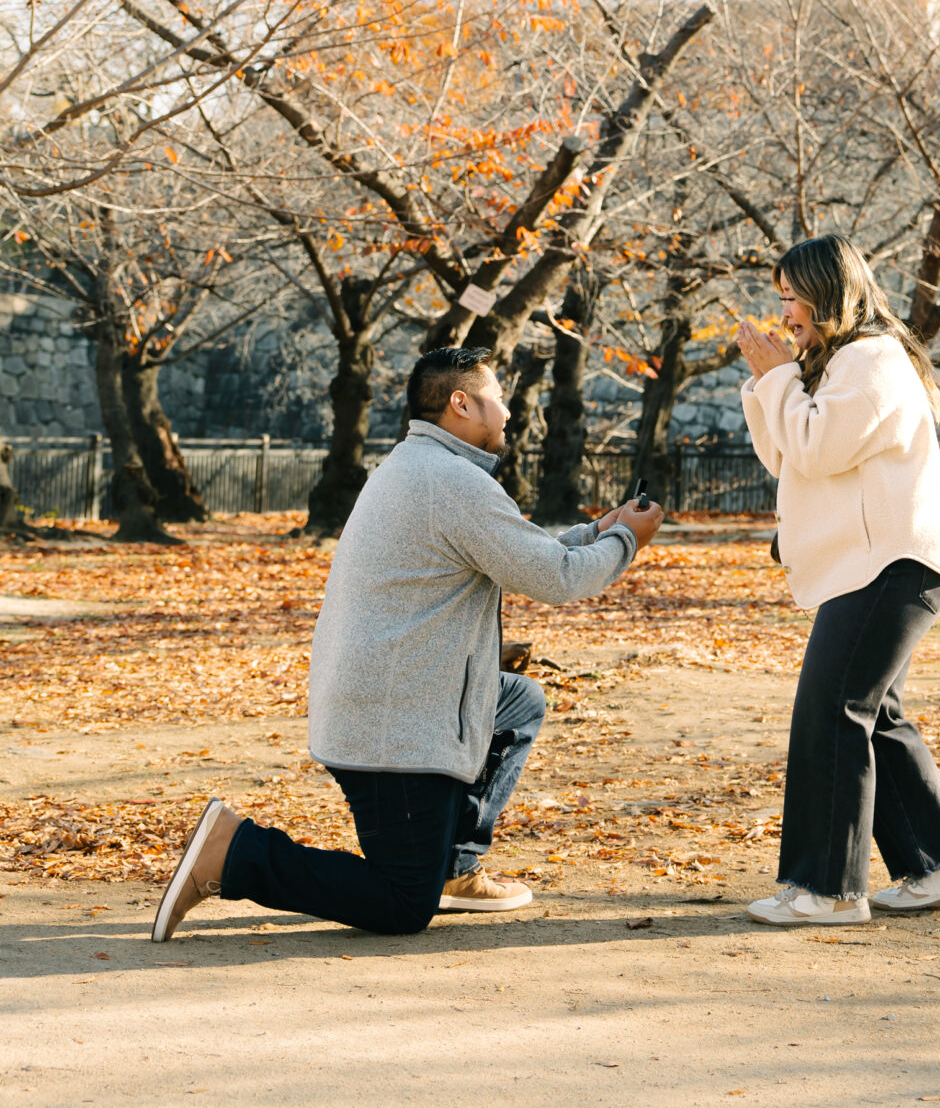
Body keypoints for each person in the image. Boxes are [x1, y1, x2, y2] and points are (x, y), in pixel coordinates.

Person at [151, 345, 662, 942]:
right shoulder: (449, 481)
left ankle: (453, 868)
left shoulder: (418, 466)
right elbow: (558, 579)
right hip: (397, 721)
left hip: (394, 698)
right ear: (461, 402)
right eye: (499, 398)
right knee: (399, 904)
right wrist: (627, 540)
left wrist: (598, 530)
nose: (509, 413)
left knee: (517, 702)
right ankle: (235, 853)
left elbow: (523, 555)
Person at [736, 234, 940, 928]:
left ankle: (828, 891)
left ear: (827, 292)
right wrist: (770, 381)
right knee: (873, 713)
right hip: (878, 562)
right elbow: (785, 454)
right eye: (780, 295)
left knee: (832, 710)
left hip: (893, 562)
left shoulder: (871, 358)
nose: (784, 310)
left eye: (793, 295)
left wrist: (777, 377)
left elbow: (813, 448)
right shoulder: (837, 362)